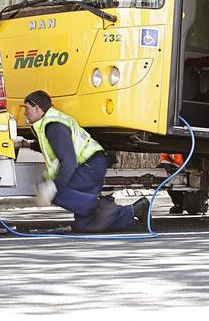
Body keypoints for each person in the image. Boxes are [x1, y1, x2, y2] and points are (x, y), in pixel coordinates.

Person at [19, 90, 149, 232]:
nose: (25, 113)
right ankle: (136, 210)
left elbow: (69, 162)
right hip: (92, 164)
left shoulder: (54, 126)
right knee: (85, 225)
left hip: (90, 166)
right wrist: (28, 145)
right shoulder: (50, 124)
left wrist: (53, 187)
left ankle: (101, 205)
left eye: (27, 108)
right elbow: (54, 146)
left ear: (37, 107)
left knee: (55, 191)